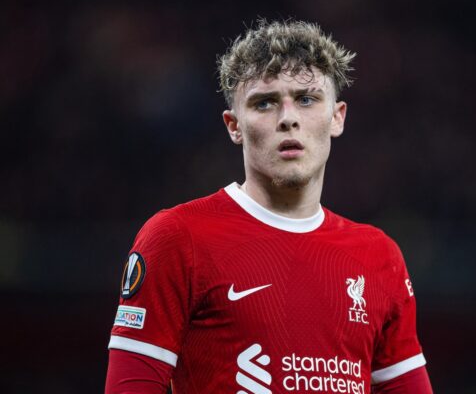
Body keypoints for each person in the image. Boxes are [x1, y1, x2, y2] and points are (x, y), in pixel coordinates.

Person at [105, 19, 433, 394]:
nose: (288, 118)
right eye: (265, 102)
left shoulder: (380, 257)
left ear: (337, 117)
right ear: (234, 126)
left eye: (307, 99)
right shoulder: (178, 238)